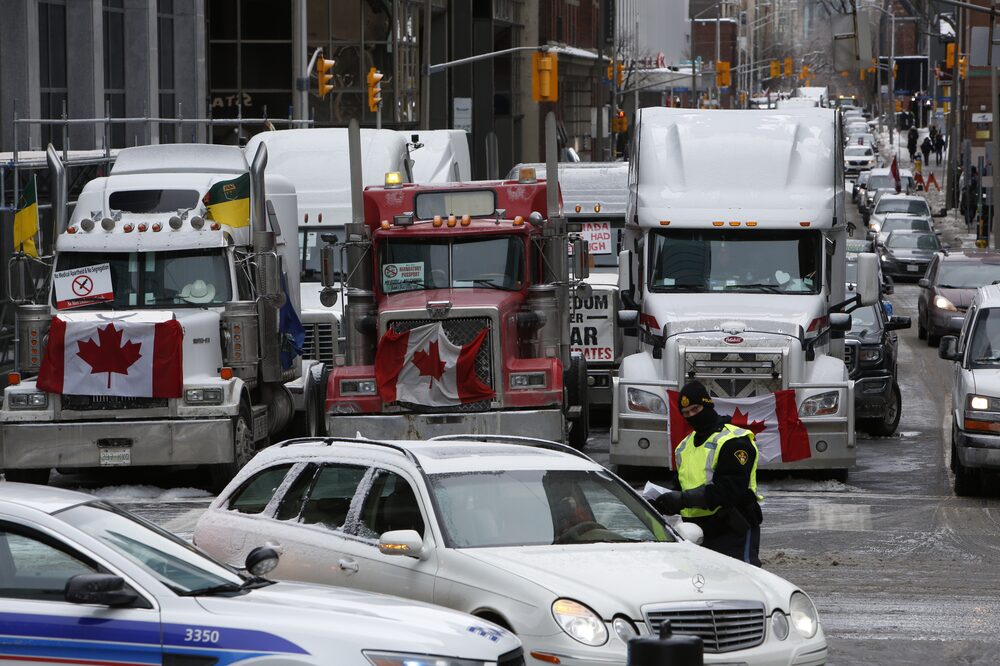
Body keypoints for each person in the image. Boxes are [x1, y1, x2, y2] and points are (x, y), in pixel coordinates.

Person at [653, 381, 763, 566]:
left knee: (739, 585)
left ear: (708, 405)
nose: (692, 416)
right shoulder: (684, 446)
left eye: (696, 409)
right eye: (686, 414)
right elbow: (681, 485)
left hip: (732, 530)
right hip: (695, 532)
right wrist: (661, 502)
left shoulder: (734, 441)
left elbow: (729, 490)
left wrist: (682, 499)